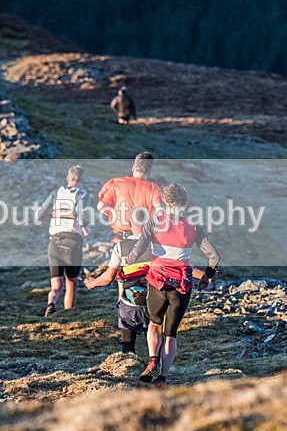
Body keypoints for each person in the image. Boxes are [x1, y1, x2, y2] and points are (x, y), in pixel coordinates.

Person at [126, 183, 220, 389]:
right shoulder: (194, 227)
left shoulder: (154, 223)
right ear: (185, 203)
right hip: (182, 284)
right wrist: (207, 277)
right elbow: (214, 256)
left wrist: (129, 258)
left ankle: (152, 359)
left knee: (154, 324)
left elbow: (138, 249)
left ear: (165, 202)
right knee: (171, 334)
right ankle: (162, 378)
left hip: (158, 281)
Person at [84, 232, 152, 354]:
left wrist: (93, 283)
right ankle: (157, 362)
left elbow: (108, 278)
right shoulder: (159, 243)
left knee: (128, 337)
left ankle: (128, 360)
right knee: (156, 335)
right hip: (155, 297)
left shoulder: (121, 247)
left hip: (130, 300)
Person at [36, 165, 90, 316]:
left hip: (54, 242)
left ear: (68, 178)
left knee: (56, 286)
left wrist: (53, 216)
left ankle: (51, 304)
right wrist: (84, 226)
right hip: (72, 243)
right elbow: (80, 212)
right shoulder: (82, 194)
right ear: (82, 180)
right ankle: (68, 315)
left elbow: (40, 214)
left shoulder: (56, 193)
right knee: (71, 283)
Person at [96, 152, 162, 242]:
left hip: (121, 239)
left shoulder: (117, 183)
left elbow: (100, 206)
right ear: (149, 173)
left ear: (133, 168)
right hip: (143, 240)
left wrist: (115, 215)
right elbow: (160, 212)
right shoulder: (154, 188)